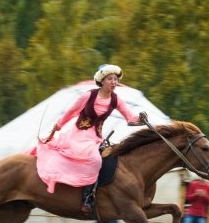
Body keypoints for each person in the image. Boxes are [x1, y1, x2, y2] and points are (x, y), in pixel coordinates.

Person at [31, 64, 144, 214]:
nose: (114, 82)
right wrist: (56, 127)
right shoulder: (88, 96)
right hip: (78, 136)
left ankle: (100, 193)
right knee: (95, 160)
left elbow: (130, 118)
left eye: (116, 79)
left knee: (107, 158)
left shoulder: (116, 100)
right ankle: (87, 197)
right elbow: (71, 112)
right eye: (110, 79)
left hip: (95, 138)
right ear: (102, 81)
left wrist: (141, 119)